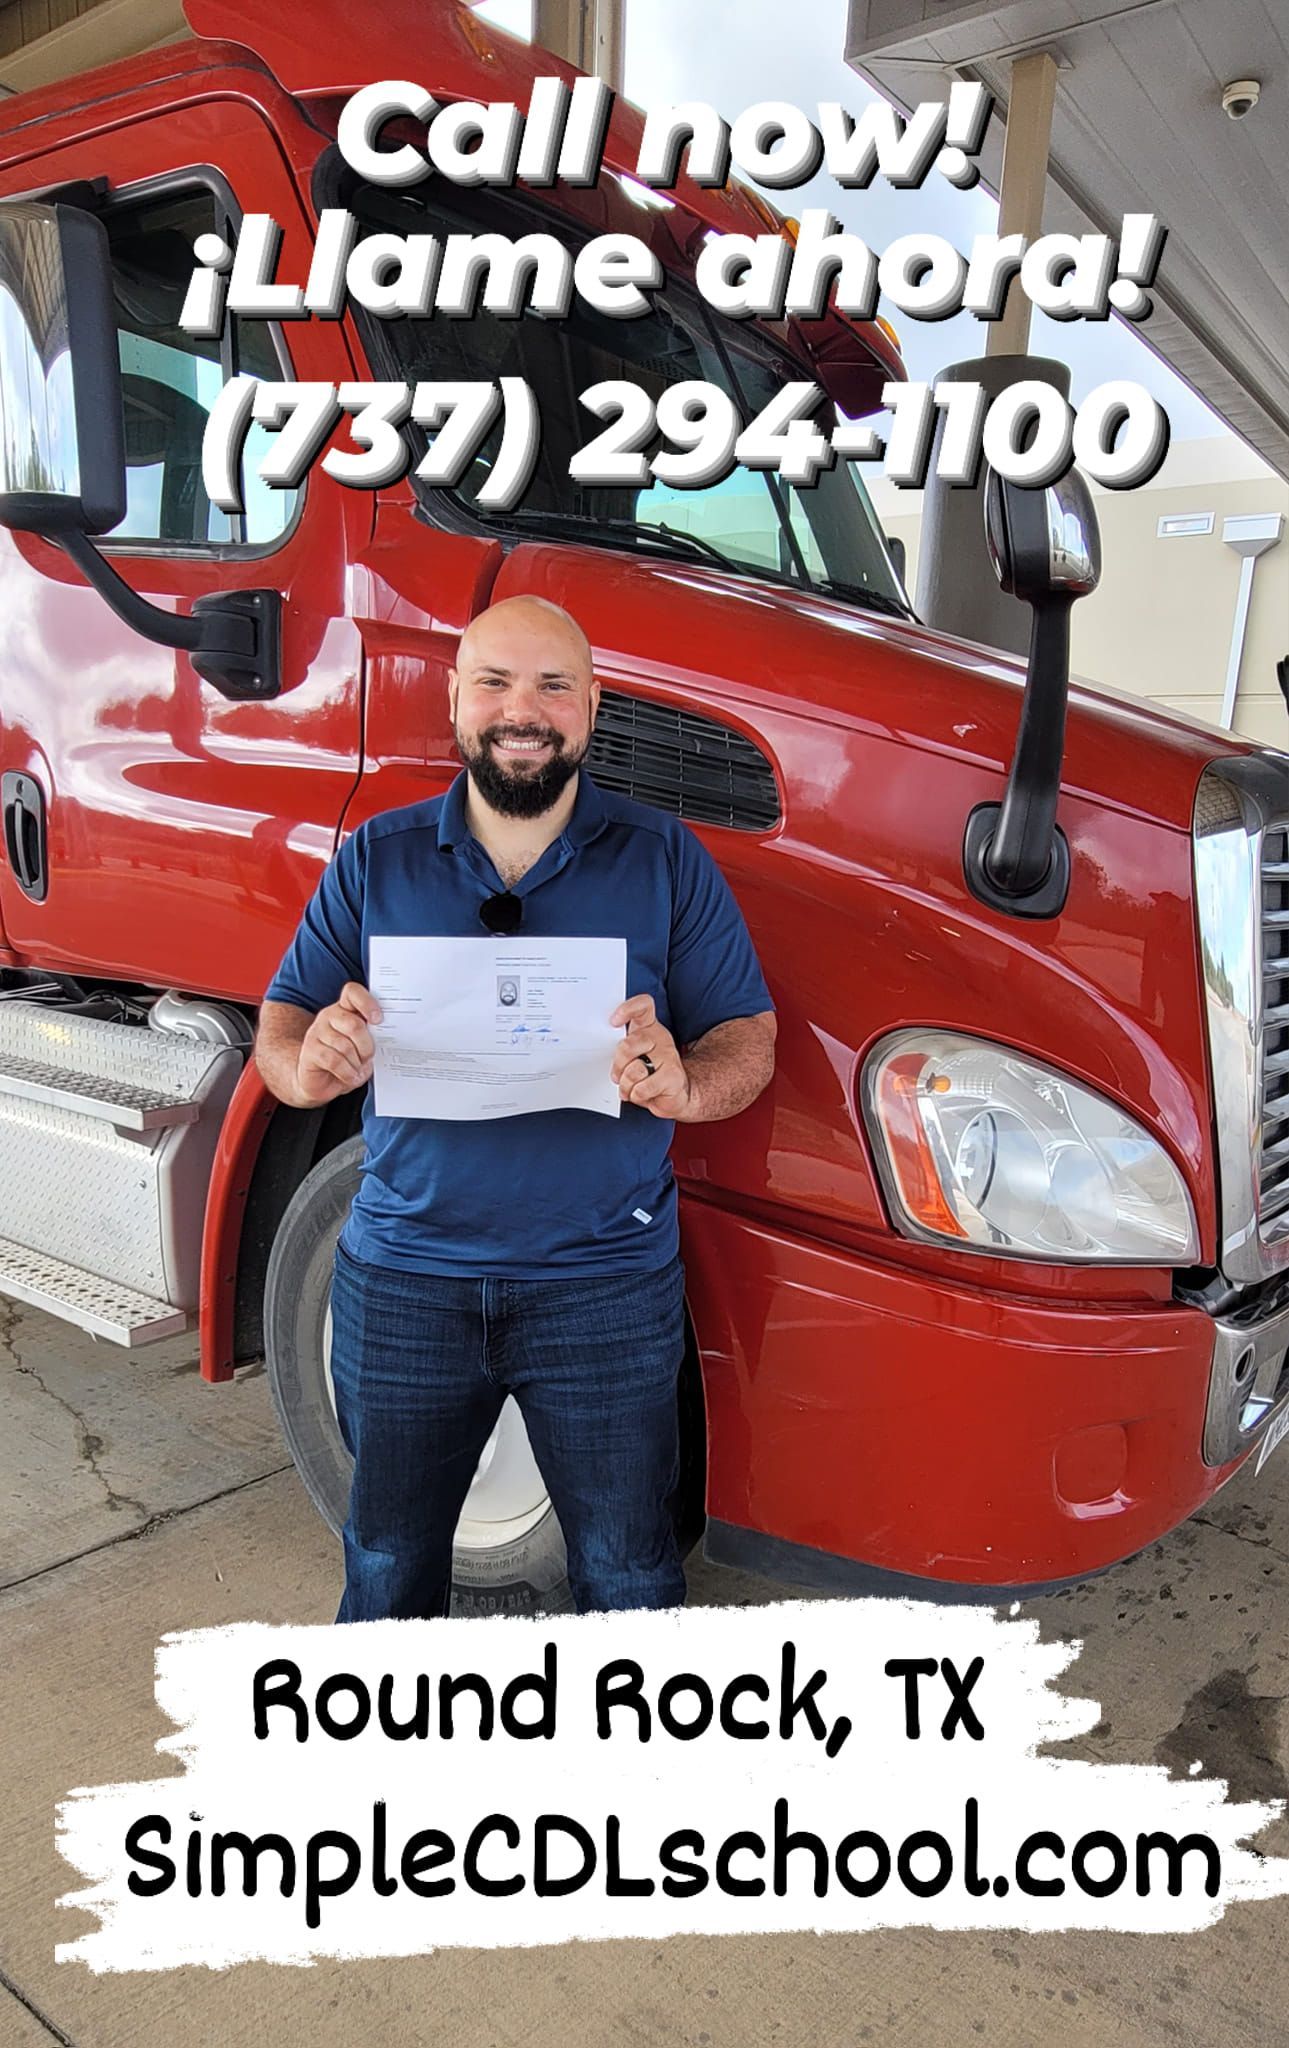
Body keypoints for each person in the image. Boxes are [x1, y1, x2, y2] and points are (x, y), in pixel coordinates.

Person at [255, 594, 776, 1621]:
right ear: (454, 700)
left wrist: (687, 1083)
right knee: (387, 1566)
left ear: (590, 707)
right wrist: (310, 1062)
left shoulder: (664, 857)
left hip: (603, 1287)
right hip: (405, 1284)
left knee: (630, 1577)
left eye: (552, 685)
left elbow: (746, 1040)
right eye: (493, 681)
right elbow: (281, 1030)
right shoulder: (377, 857)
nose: (521, 709)